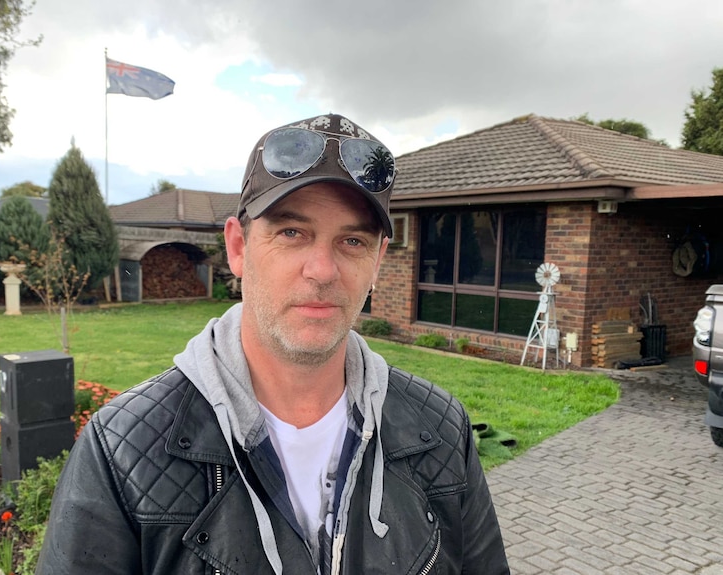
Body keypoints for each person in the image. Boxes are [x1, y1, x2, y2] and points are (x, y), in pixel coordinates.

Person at [37, 113, 510, 574]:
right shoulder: (123, 450)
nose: (322, 270)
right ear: (238, 247)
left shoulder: (440, 429)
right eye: (291, 233)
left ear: (378, 261)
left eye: (352, 242)